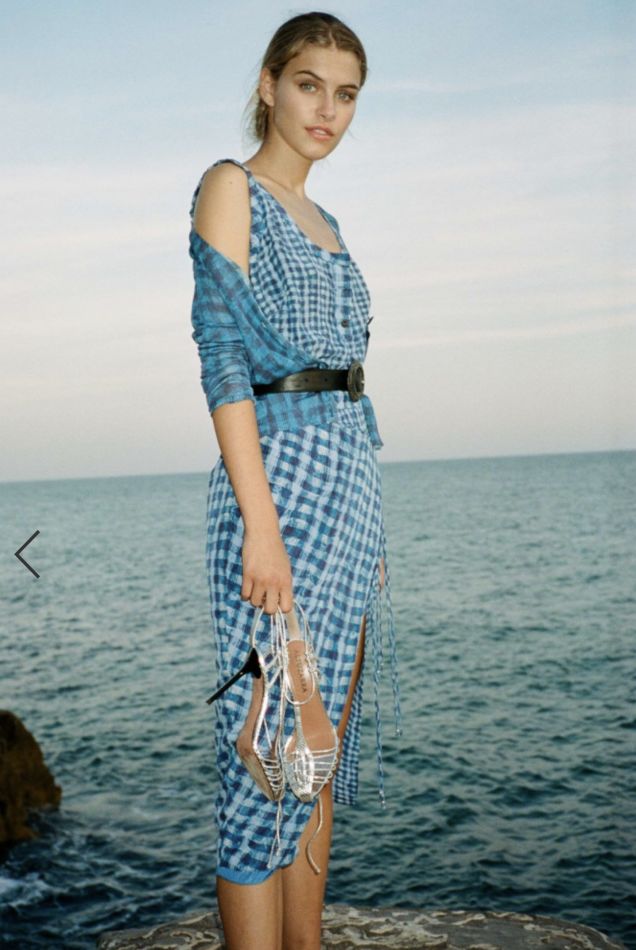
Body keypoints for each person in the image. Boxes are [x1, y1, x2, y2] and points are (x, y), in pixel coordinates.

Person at [188, 12, 401, 950]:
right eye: (310, 84)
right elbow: (223, 359)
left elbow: (348, 381)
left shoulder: (330, 222)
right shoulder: (231, 187)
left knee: (317, 754)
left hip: (349, 490)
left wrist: (371, 533)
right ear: (270, 84)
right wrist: (261, 528)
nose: (327, 109)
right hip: (276, 487)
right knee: (264, 757)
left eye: (346, 94)